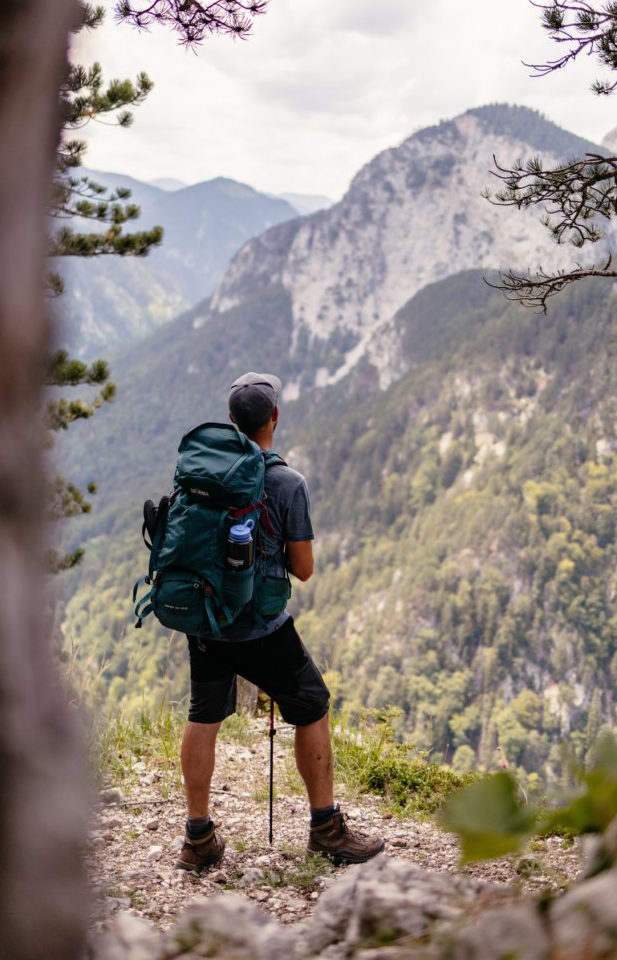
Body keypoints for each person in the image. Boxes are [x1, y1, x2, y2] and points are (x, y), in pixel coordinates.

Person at [177, 371, 385, 872]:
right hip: (259, 626)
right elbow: (304, 570)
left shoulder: (200, 471)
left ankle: (198, 838)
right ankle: (325, 830)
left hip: (205, 619)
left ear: (231, 422)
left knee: (204, 714)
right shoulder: (287, 482)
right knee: (312, 704)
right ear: (275, 418)